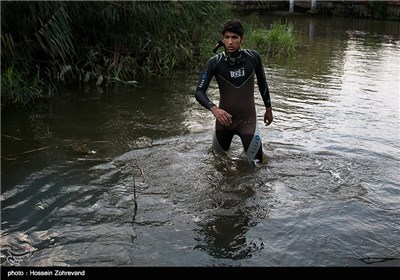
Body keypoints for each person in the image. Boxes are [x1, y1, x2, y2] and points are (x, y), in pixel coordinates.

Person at [195, 19, 273, 165]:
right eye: (227, 37)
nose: (230, 42)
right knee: (217, 166)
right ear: (223, 39)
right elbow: (199, 91)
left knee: (257, 168)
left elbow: (263, 83)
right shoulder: (215, 62)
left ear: (242, 40)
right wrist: (214, 109)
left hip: (248, 122)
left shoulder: (253, 57)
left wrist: (268, 109)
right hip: (223, 122)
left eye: (234, 37)